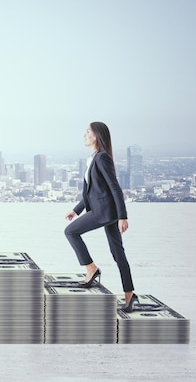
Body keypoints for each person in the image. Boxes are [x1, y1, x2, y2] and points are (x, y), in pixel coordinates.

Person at [64, 121, 138, 312]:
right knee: (118, 254)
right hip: (104, 210)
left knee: (71, 231)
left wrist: (123, 216)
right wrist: (77, 210)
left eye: (87, 131)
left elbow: (114, 187)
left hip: (104, 212)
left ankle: (91, 269)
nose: (84, 135)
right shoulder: (94, 158)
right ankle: (130, 295)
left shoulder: (102, 158)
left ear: (96, 136)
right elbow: (92, 192)